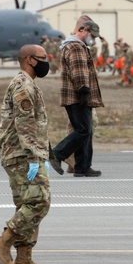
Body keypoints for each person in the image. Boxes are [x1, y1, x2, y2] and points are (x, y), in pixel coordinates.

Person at [0, 44, 54, 264]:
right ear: (29, 60)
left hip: (24, 153)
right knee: (39, 202)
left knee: (28, 205)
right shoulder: (23, 85)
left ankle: (24, 258)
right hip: (22, 154)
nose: (47, 61)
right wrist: (34, 156)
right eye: (43, 58)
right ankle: (2, 242)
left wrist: (45, 153)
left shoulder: (28, 84)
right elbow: (24, 125)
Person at [51, 16, 104, 177]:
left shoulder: (77, 46)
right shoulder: (75, 47)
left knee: (85, 131)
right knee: (83, 130)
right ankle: (57, 154)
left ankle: (82, 166)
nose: (93, 39)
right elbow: (79, 71)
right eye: (92, 35)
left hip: (77, 95)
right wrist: (84, 92)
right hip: (78, 96)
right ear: (84, 30)